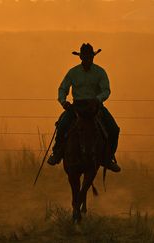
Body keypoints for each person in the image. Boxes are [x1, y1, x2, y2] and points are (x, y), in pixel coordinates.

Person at [47, 43, 121, 172]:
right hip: (77, 107)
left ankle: (108, 158)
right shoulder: (73, 72)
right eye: (85, 57)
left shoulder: (100, 72)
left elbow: (106, 90)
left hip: (95, 106)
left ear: (92, 57)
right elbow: (63, 88)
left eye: (89, 57)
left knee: (114, 129)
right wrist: (64, 102)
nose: (87, 60)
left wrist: (97, 99)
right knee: (62, 125)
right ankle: (57, 153)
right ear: (81, 58)